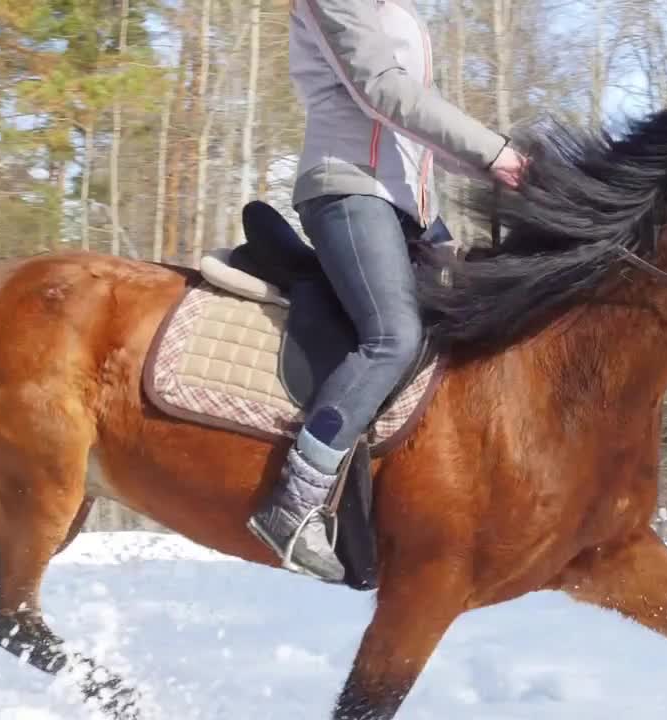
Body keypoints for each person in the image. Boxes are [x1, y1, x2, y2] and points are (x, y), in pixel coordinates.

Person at [247, 0, 529, 582]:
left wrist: (505, 168)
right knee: (393, 336)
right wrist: (494, 152)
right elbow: (381, 90)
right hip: (348, 189)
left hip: (410, 208)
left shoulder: (399, 12)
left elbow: (417, 136)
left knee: (481, 317)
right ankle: (295, 503)